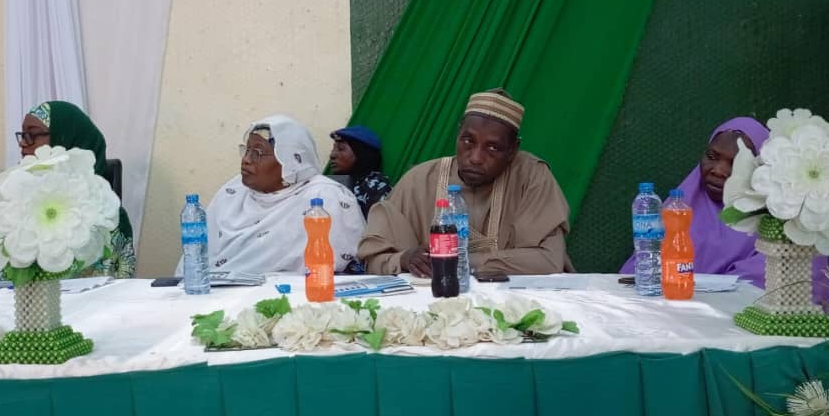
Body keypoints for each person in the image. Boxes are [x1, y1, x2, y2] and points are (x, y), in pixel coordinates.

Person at [358, 89, 571, 276]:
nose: (476, 158)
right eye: (468, 141)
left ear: (512, 150)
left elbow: (548, 260)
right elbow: (374, 260)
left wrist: (456, 263)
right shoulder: (419, 181)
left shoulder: (531, 176)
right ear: (458, 134)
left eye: (493, 148)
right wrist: (404, 259)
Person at [0, 101, 136, 279]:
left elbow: (113, 285)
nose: (23, 143)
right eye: (23, 135)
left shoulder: (107, 217)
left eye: (32, 134)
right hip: (3, 298)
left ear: (66, 137)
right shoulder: (11, 200)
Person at [618, 116, 800, 287]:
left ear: (761, 169)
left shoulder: (778, 223)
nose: (718, 171)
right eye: (712, 157)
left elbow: (762, 281)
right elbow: (640, 270)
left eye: (737, 163)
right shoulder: (680, 208)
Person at [198, 115, 366, 274]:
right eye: (247, 150)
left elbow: (336, 272)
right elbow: (197, 260)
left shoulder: (324, 197)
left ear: (291, 161)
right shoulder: (233, 192)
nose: (246, 160)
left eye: (257, 153)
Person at [329, 125, 393, 218]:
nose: (332, 155)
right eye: (333, 148)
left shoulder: (375, 187)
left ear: (361, 154)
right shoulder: (330, 183)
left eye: (341, 149)